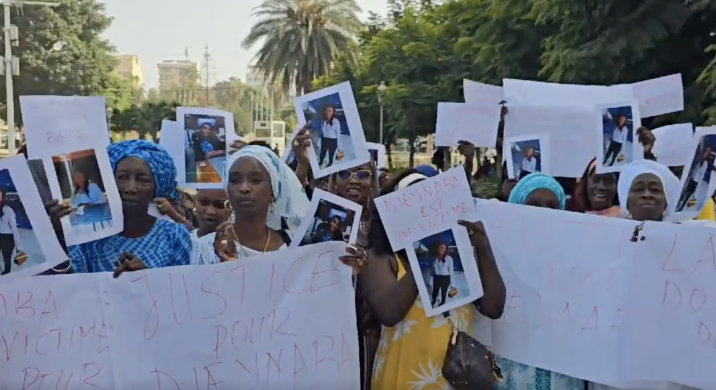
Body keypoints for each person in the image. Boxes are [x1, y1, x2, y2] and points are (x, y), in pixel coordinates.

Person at [363, 169, 506, 390]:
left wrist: (483, 248)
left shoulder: (458, 256)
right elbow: (389, 313)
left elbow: (493, 307)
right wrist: (424, 257)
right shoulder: (382, 258)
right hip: (401, 378)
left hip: (454, 378)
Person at [43, 140, 192, 276]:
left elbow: (183, 296)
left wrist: (148, 281)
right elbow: (69, 289)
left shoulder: (175, 237)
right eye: (122, 178)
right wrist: (59, 237)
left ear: (157, 188)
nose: (130, 188)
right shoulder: (87, 236)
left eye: (143, 180)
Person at [497, 172, 585, 390]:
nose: (543, 212)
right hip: (512, 367)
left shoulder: (578, 257)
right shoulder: (497, 255)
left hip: (562, 369)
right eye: (534, 204)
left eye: (552, 206)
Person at [676, 146, 711, 211]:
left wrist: (697, 186)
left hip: (695, 182)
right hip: (690, 179)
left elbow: (701, 175)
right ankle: (677, 205)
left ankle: (681, 207)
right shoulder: (697, 159)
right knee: (683, 193)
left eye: (707, 152)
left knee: (688, 195)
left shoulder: (705, 163)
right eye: (706, 151)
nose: (705, 153)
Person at [0, 187, 25, 275]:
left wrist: (19, 247)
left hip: (7, 238)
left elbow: (14, 229)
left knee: (6, 258)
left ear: (2, 196)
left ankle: (6, 274)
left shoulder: (8, 210)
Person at [430, 242, 454, 307]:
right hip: (437, 278)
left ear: (445, 249)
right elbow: (433, 270)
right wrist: (431, 280)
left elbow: (451, 271)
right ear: (438, 249)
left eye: (443, 248)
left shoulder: (449, 259)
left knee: (444, 292)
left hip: (445, 278)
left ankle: (442, 303)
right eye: (440, 247)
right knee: (435, 291)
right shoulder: (435, 258)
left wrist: (452, 284)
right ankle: (433, 301)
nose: (441, 249)